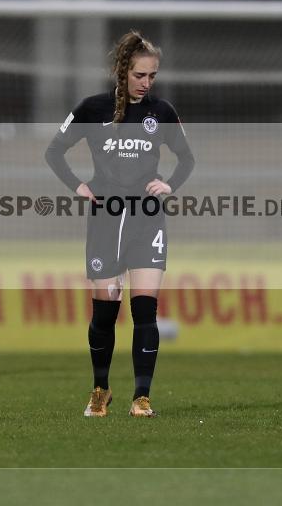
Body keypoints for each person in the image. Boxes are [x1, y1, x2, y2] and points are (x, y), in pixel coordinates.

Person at [45, 31, 194, 417]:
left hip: (147, 218)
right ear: (122, 71)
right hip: (106, 218)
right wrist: (77, 185)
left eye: (153, 76)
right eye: (141, 75)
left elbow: (186, 159)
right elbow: (54, 151)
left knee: (145, 309)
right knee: (105, 312)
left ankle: (142, 397)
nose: (147, 83)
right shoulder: (92, 109)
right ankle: (100, 389)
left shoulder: (161, 112)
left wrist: (169, 185)